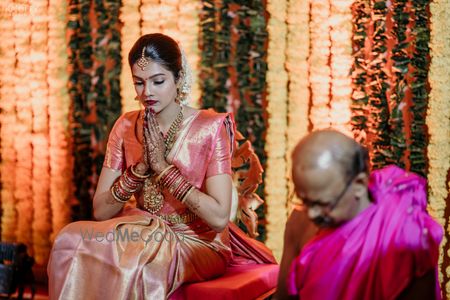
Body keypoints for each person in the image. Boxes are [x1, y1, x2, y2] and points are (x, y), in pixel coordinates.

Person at [48, 33, 275, 299]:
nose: (147, 92)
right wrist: (141, 168)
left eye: (158, 81)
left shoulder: (210, 128)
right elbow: (100, 211)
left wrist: (165, 170)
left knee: (136, 256)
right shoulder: (125, 127)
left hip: (197, 239)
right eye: (139, 83)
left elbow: (218, 218)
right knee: (70, 239)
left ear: (179, 79)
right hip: (143, 228)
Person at [285, 129, 443, 300]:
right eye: (304, 200)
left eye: (322, 203)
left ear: (359, 184)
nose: (312, 213)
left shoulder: (407, 236)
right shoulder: (299, 221)